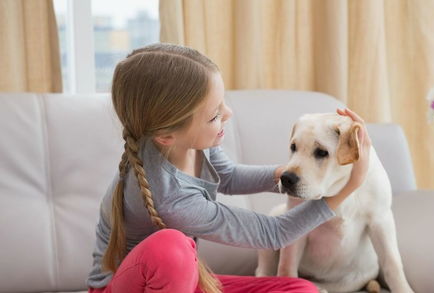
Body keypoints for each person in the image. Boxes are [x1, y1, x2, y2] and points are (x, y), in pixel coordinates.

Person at [86, 43, 372, 293]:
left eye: (222, 103)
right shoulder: (171, 197)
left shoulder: (187, 141)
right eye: (214, 115)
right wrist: (350, 185)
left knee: (299, 289)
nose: (228, 113)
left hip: (180, 282)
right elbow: (274, 233)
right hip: (124, 287)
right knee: (170, 249)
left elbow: (229, 177)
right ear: (166, 135)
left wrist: (292, 175)